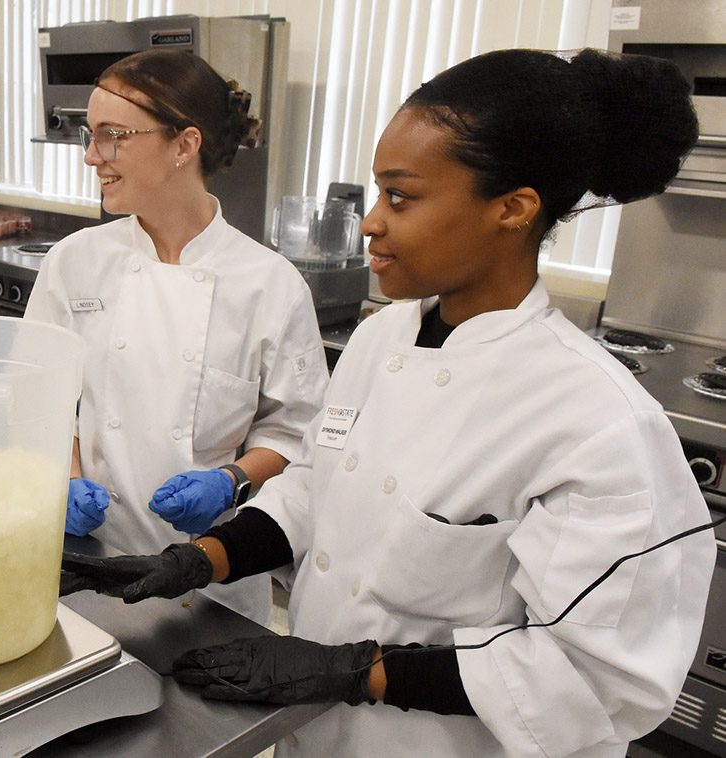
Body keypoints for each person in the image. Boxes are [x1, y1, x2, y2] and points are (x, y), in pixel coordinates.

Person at [57, 48, 716, 758]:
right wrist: (203, 559)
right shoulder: (384, 340)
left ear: (513, 209)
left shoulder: (598, 419)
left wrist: (355, 672)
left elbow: (600, 678)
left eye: (400, 198)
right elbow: (316, 489)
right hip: (314, 731)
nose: (370, 223)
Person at [24, 49, 328, 624]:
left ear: (184, 146)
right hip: (82, 562)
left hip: (208, 578)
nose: (92, 156)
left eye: (112, 136)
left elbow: (298, 432)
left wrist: (231, 478)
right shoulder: (73, 263)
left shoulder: (270, 285)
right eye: (90, 136)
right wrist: (63, 480)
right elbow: (39, 397)